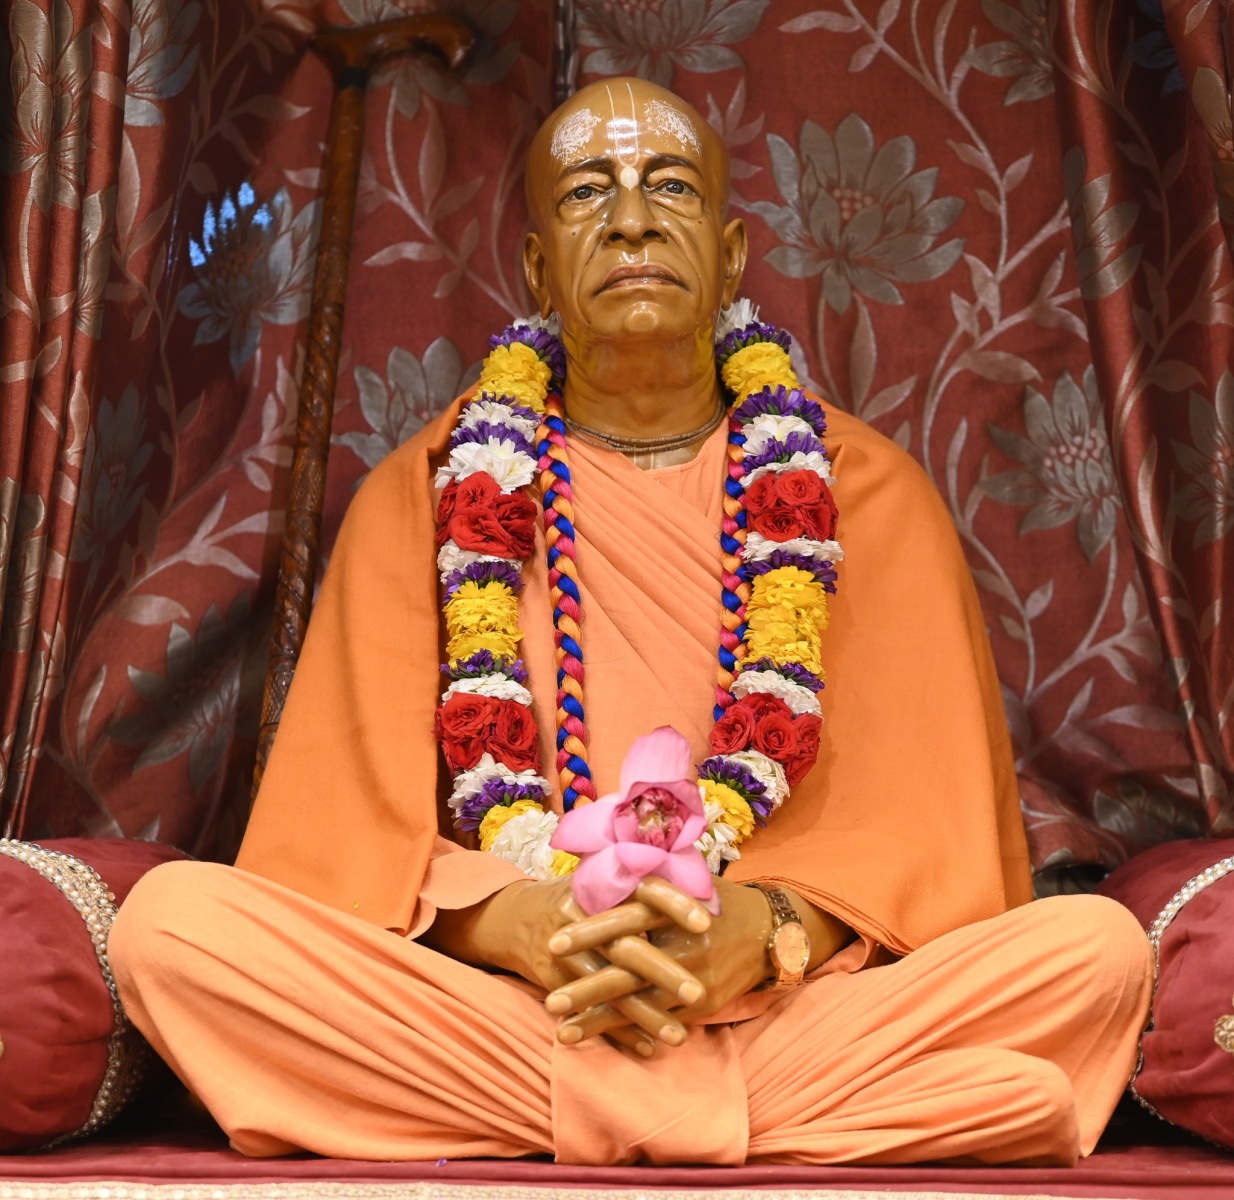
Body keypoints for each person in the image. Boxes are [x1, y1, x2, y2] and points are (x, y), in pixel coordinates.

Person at [109, 78, 1153, 1167]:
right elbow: (342, 849)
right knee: (175, 932)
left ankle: (560, 1117)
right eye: (585, 193)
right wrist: (518, 924)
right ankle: (775, 1122)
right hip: (519, 998)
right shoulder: (428, 494)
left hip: (788, 1004)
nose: (631, 220)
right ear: (536, 268)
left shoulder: (864, 492)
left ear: (732, 254)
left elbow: (925, 847)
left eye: (670, 186)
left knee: (1093, 955)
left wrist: (767, 932)